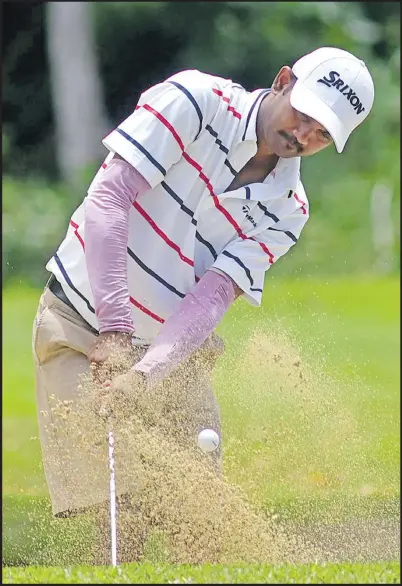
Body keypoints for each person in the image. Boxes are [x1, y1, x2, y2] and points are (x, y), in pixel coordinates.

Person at [33, 47, 374, 530]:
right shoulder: (196, 100)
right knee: (117, 520)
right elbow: (108, 199)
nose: (303, 136)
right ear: (282, 81)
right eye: (305, 115)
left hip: (175, 358)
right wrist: (114, 331)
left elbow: (212, 296)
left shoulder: (288, 209)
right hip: (80, 326)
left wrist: (145, 374)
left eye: (322, 135)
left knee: (200, 521)